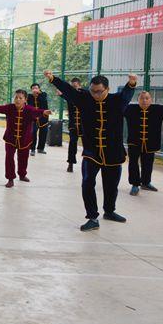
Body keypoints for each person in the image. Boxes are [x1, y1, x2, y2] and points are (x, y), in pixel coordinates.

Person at [46, 70, 137, 232]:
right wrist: (53, 79)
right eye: (93, 91)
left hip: (113, 153)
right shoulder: (84, 99)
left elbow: (127, 94)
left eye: (99, 91)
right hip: (91, 152)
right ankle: (92, 217)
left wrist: (131, 84)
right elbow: (68, 90)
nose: (95, 94)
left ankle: (109, 211)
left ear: (107, 89)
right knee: (87, 183)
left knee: (111, 185)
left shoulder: (117, 101)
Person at [0, 91, 51, 187]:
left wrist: (44, 112)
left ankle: (22, 175)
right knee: (9, 158)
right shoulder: (9, 108)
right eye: (16, 98)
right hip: (10, 139)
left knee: (23, 159)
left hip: (25, 140)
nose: (18, 100)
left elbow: (37, 111)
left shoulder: (29, 109)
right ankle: (10, 178)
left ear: (25, 100)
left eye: (20, 98)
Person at [55, 78, 83, 172]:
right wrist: (61, 94)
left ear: (79, 86)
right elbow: (65, 95)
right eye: (72, 87)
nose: (73, 89)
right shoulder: (70, 96)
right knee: (72, 143)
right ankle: (70, 163)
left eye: (75, 86)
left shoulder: (85, 95)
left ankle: (88, 163)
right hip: (73, 124)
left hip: (84, 125)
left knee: (88, 145)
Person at [27, 83, 49, 156]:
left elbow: (43, 102)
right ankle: (32, 149)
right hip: (33, 119)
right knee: (33, 133)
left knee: (43, 133)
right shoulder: (29, 97)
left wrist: (38, 94)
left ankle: (41, 148)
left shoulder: (43, 95)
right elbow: (30, 105)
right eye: (33, 88)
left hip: (43, 118)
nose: (35, 89)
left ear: (39, 89)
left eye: (36, 88)